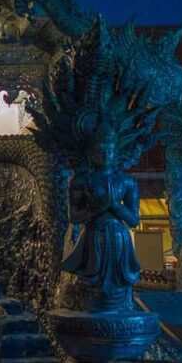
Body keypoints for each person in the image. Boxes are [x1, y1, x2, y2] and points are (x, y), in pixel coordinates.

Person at [62, 125, 142, 313]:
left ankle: (120, 308)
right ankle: (92, 307)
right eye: (101, 150)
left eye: (111, 150)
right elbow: (74, 217)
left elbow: (133, 220)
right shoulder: (83, 180)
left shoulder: (127, 180)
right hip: (94, 235)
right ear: (92, 153)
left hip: (119, 236)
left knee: (120, 282)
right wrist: (99, 208)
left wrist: (115, 206)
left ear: (117, 152)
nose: (106, 154)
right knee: (93, 281)